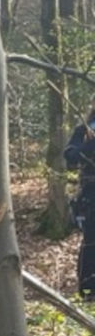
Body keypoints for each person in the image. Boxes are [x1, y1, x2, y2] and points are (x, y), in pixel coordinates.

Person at [64, 94, 95, 295]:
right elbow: (70, 157)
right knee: (91, 241)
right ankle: (88, 289)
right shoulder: (85, 129)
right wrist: (89, 145)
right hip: (91, 194)